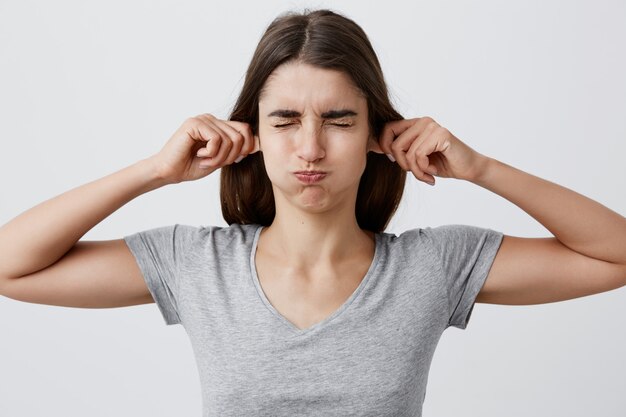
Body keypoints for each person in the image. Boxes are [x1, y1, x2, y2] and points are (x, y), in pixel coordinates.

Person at [1, 8, 625, 417]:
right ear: (254, 135)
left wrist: (479, 167)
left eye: (338, 120)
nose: (310, 148)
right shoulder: (196, 262)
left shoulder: (434, 265)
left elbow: (615, 254)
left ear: (377, 136)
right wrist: (154, 171)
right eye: (285, 120)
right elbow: (10, 268)